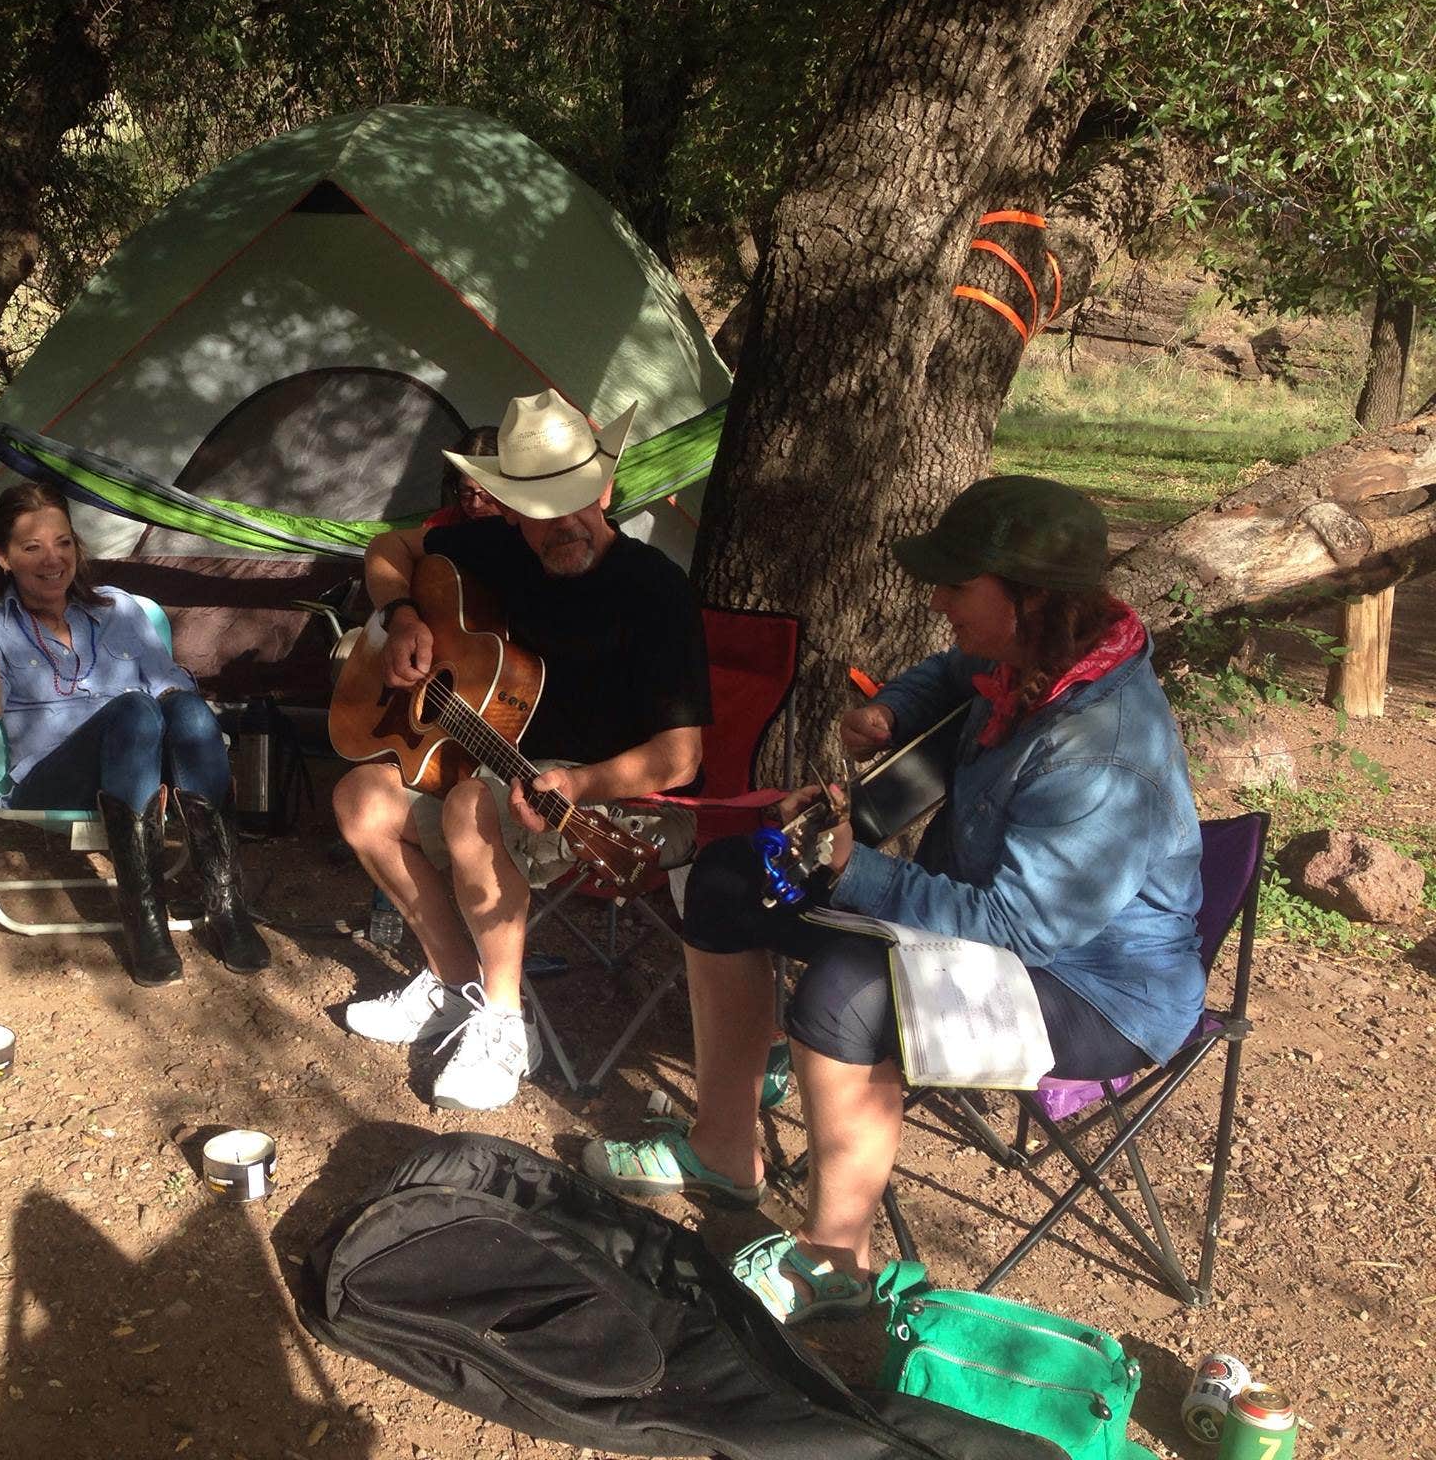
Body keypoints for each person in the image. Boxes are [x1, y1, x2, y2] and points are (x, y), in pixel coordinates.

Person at [584, 475, 1204, 1324]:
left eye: (957, 584)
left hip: (1097, 987)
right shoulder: (1029, 651)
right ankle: (723, 1154)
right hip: (990, 917)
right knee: (733, 880)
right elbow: (956, 670)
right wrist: (892, 711)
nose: (938, 598)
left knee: (852, 989)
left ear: (1025, 598)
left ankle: (834, 1260)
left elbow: (1019, 929)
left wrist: (856, 871)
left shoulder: (1103, 751)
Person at [333, 389, 707, 1111]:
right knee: (359, 799)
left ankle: (506, 1026)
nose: (559, 524)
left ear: (605, 486)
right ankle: (453, 986)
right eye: (536, 509)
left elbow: (680, 757)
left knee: (470, 805)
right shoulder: (503, 548)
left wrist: (581, 781)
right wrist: (402, 616)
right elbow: (388, 549)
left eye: (573, 500)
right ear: (508, 508)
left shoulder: (654, 590)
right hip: (497, 764)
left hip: (618, 802)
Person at [0, 480, 269, 987]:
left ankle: (228, 905)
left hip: (139, 772)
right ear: (3, 558)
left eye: (62, 542)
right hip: (53, 776)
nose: (51, 558)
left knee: (183, 707)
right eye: (31, 547)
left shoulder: (118, 610)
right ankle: (144, 920)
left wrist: (179, 721)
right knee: (135, 711)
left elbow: (170, 686)